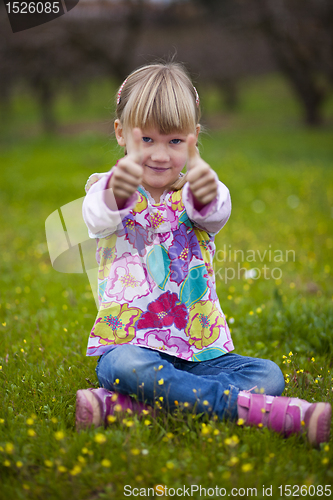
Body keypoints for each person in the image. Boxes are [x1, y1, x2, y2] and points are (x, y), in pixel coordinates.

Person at [76, 62, 331, 446]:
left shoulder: (198, 194)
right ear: (120, 134)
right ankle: (263, 413)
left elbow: (214, 212)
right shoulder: (108, 192)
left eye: (175, 142)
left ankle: (130, 407)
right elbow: (98, 218)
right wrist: (118, 189)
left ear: (194, 140)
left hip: (201, 352)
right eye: (146, 140)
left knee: (268, 375)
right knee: (123, 366)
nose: (160, 155)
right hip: (132, 344)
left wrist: (204, 183)